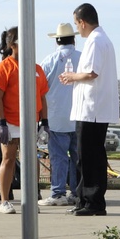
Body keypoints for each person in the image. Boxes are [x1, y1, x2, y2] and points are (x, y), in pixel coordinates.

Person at [59, 3, 119, 217]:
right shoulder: (101, 40)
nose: (78, 29)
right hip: (94, 109)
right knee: (87, 156)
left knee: (89, 156)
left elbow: (92, 72)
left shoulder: (96, 41)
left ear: (83, 22)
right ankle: (86, 199)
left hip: (92, 109)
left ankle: (92, 201)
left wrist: (71, 76)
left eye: (77, 24)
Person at [0, 26, 50, 215]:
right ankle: (5, 200)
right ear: (12, 45)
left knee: (31, 160)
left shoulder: (37, 68)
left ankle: (31, 198)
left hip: (31, 122)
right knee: (8, 158)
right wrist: (1, 122)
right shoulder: (3, 68)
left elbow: (42, 97)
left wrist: (45, 122)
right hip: (10, 121)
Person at [38, 22, 82, 207]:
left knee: (58, 157)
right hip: (79, 115)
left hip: (56, 117)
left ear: (57, 41)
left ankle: (58, 192)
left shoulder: (49, 61)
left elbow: (39, 88)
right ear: (74, 39)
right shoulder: (83, 57)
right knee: (78, 157)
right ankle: (78, 192)